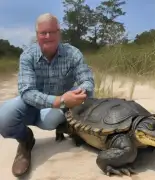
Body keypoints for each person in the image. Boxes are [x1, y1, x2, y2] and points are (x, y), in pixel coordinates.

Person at [0, 13, 94, 177]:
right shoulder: (27, 56)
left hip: (59, 109)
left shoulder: (73, 54)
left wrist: (78, 94)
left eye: (52, 32)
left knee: (51, 120)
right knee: (4, 119)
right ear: (37, 35)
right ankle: (25, 140)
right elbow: (26, 92)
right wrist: (59, 100)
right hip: (32, 106)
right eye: (43, 33)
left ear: (59, 32)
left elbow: (87, 81)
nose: (48, 36)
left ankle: (69, 127)